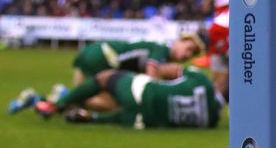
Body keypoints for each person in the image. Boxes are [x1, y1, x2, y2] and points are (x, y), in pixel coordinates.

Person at [9, 34, 206, 115]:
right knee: (111, 105)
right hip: (102, 58)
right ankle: (59, 96)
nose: (186, 55)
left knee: (80, 99)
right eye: (187, 48)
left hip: (94, 53)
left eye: (191, 54)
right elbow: (151, 77)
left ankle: (36, 100)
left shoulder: (159, 51)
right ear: (180, 40)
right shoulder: (161, 50)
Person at [33, 65, 222, 129]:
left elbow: (168, 69)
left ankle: (56, 104)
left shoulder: (202, 81)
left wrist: (154, 75)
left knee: (105, 78)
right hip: (144, 121)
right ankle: (90, 117)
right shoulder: (211, 121)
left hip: (143, 92)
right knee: (120, 111)